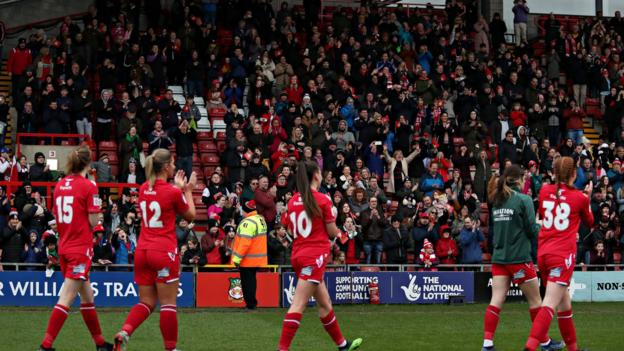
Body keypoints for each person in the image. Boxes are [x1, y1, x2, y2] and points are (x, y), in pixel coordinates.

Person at [114, 148, 196, 351]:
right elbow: (191, 216)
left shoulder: (143, 188)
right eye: (173, 164)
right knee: (168, 304)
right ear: (166, 166)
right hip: (163, 251)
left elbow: (158, 196)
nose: (175, 167)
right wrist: (187, 189)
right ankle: (170, 348)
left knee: (147, 302)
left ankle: (125, 332)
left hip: (143, 250)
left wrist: (176, 189)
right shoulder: (172, 191)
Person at [278, 161, 362, 351]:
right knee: (298, 304)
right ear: (316, 175)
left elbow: (289, 226)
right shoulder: (322, 199)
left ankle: (342, 345)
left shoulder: (293, 201)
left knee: (324, 303)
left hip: (299, 254)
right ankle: (282, 349)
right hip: (313, 256)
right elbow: (332, 232)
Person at [38, 145, 113, 351]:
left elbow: (58, 216)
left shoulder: (60, 184)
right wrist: (97, 216)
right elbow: (92, 220)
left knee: (88, 296)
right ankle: (45, 346)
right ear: (88, 164)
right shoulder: (89, 186)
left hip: (65, 245)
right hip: (80, 248)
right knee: (66, 300)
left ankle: (100, 344)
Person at [483, 165, 564, 351]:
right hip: (518, 258)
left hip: (499, 258)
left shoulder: (497, 199)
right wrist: (547, 228)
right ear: (520, 179)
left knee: (496, 301)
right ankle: (544, 343)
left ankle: (487, 345)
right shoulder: (524, 199)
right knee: (536, 301)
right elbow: (531, 229)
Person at [524, 156, 594, 351]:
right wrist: (587, 197)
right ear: (573, 174)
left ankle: (573, 349)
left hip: (544, 253)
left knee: (564, 306)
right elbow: (590, 222)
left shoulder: (545, 190)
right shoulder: (579, 197)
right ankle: (529, 347)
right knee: (550, 304)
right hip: (561, 255)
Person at [231, 199, 268, 310]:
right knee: (252, 281)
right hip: (257, 258)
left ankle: (250, 304)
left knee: (247, 283)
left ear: (246, 211)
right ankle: (252, 303)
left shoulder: (248, 222)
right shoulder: (260, 219)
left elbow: (244, 243)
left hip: (247, 259)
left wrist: (236, 259)